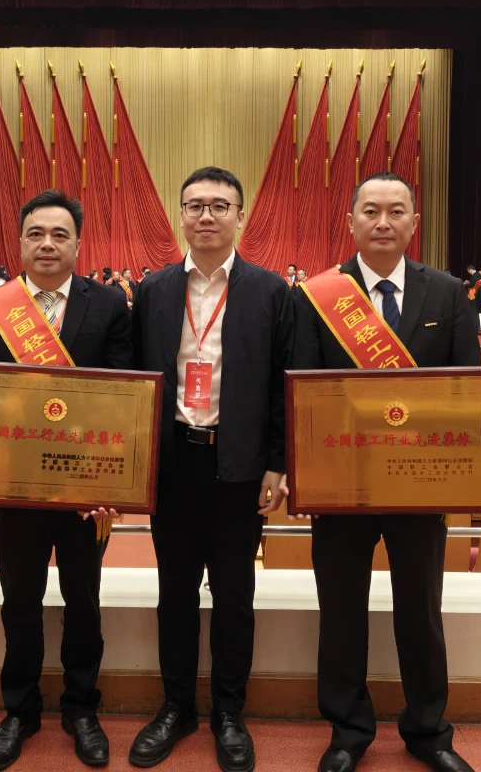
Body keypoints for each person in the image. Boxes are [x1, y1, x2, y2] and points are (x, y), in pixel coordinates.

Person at [291, 171, 481, 772]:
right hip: (341, 483)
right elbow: (301, 390)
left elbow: (472, 391)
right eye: (370, 211)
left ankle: (429, 732)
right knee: (341, 612)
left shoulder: (447, 293)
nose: (383, 222)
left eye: (396, 211)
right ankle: (347, 732)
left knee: (421, 611)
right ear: (350, 222)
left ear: (415, 223)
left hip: (424, 477)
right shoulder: (317, 296)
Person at [128, 168, 292, 772]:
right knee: (174, 592)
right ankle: (176, 707)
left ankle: (228, 712)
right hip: (173, 463)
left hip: (239, 466)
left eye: (220, 205)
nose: (206, 215)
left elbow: (282, 385)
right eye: (194, 205)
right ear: (180, 215)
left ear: (240, 217)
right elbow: (134, 380)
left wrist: (277, 462)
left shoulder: (271, 291)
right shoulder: (153, 290)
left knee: (234, 595)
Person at [0, 190, 133, 771]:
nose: (47, 244)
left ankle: (82, 709)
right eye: (36, 234)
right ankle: (21, 710)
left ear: (78, 244)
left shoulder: (108, 304)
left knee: (84, 601)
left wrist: (111, 485)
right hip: (15, 487)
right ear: (20, 242)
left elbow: (122, 395)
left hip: (84, 487)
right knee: (20, 602)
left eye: (60, 235)